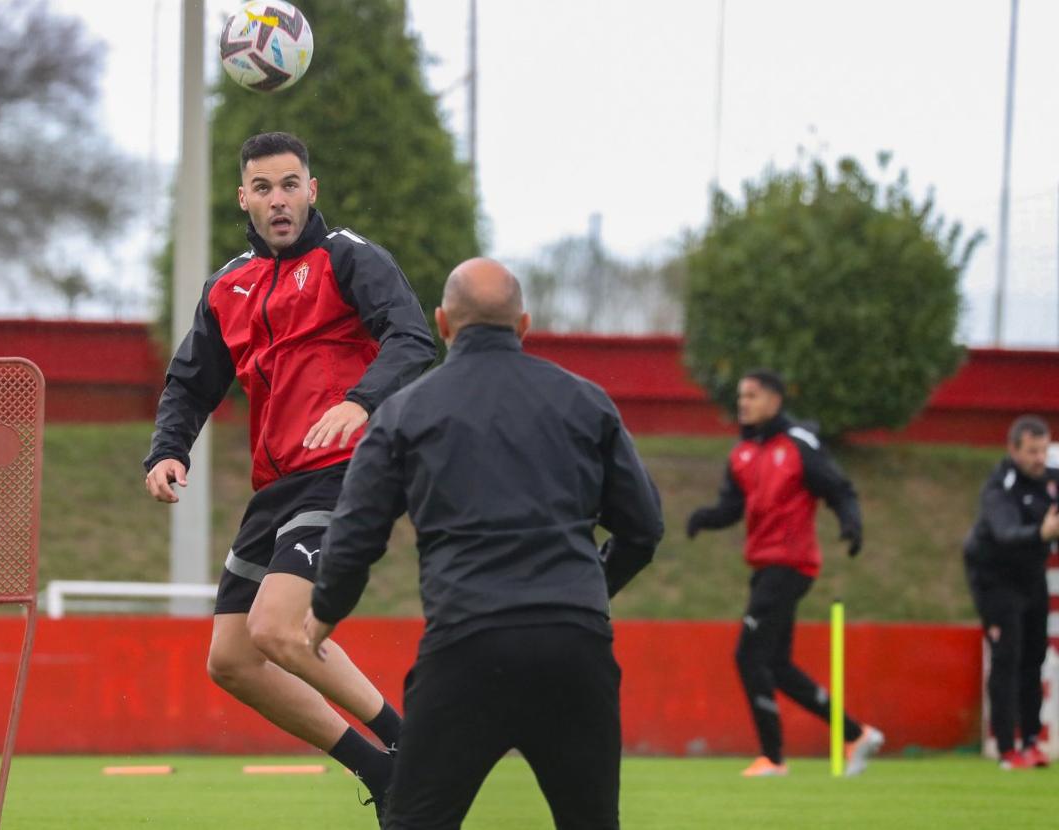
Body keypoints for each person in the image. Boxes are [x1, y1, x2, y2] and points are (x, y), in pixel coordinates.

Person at [303, 258, 664, 829]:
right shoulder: (586, 403)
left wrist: (324, 613)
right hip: (574, 650)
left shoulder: (404, 412)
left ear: (443, 324)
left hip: (466, 648)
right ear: (523, 325)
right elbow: (643, 528)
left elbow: (357, 531)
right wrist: (588, 590)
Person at [143, 132, 436, 818]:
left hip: (346, 470)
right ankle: (383, 773)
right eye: (265, 188)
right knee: (232, 660)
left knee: (277, 629)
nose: (280, 200)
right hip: (277, 488)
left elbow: (413, 337)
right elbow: (190, 386)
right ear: (243, 198)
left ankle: (412, 747)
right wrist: (166, 451)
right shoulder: (227, 288)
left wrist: (358, 403)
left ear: (313, 190)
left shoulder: (348, 259)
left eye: (291, 184)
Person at [685, 369, 884, 777]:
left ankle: (773, 759)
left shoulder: (799, 444)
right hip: (765, 565)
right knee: (775, 665)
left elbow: (838, 488)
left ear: (775, 400)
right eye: (741, 396)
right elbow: (732, 508)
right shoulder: (741, 453)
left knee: (747, 655)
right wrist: (704, 518)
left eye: (752, 395)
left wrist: (851, 523)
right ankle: (855, 734)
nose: (744, 403)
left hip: (791, 563)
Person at [963, 414, 1059, 770]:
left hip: (1031, 577)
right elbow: (1005, 533)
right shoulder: (999, 487)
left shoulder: (1050, 480)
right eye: (1032, 451)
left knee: (1035, 658)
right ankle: (1007, 749)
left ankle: (1032, 742)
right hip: (995, 578)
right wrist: (1042, 534)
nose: (1039, 458)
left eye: (1044, 450)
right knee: (1007, 658)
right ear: (1013, 449)